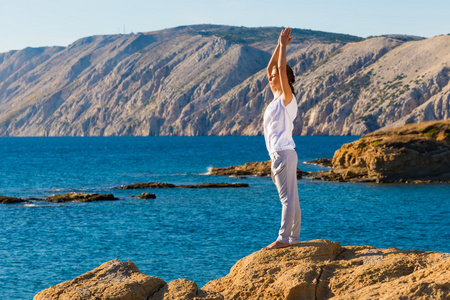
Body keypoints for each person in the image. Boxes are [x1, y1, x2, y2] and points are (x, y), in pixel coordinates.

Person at [262, 27, 301, 250]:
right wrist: (278, 44)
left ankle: (283, 239)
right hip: (283, 153)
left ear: (283, 78)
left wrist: (285, 48)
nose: (270, 77)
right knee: (292, 199)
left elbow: (278, 68)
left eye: (275, 76)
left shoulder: (287, 98)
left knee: (287, 199)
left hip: (283, 153)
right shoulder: (277, 97)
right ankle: (293, 238)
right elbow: (271, 67)